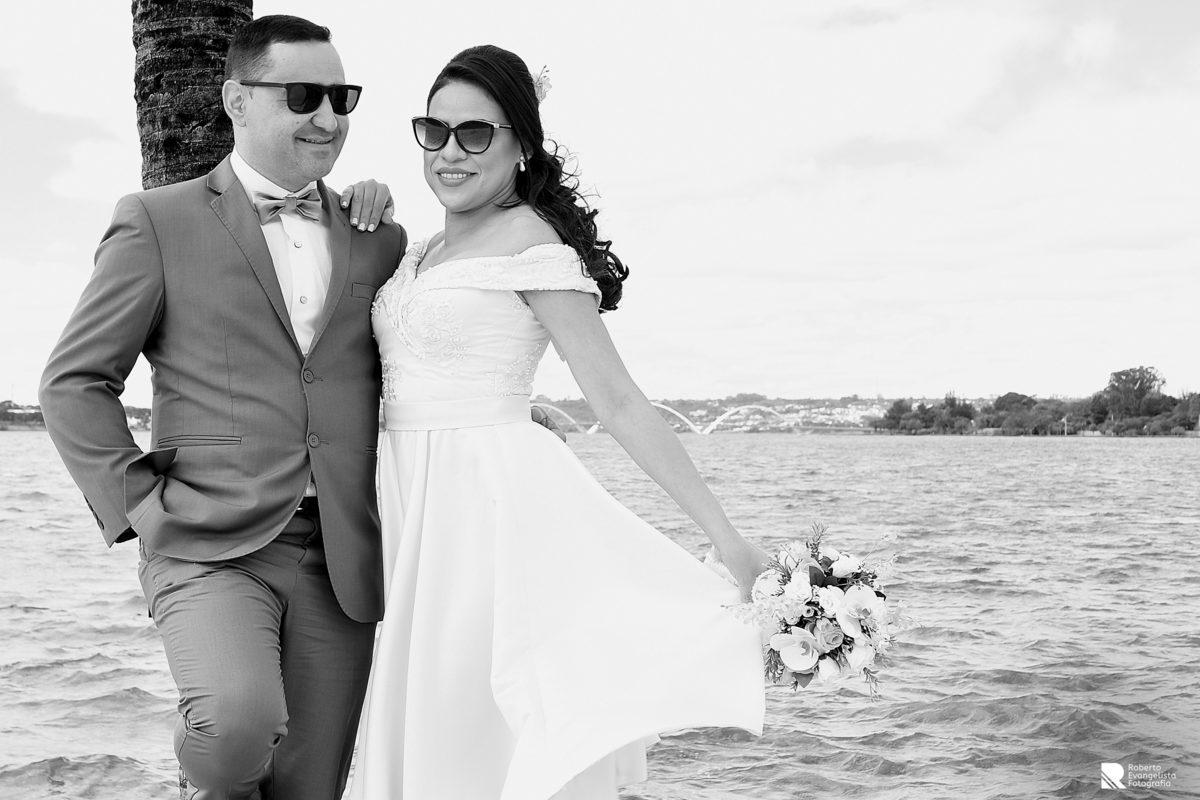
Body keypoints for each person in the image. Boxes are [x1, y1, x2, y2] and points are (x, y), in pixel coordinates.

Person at [348, 45, 772, 800]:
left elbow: (618, 401)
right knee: (424, 705)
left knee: (468, 713)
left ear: (520, 144)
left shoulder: (533, 244)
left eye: (475, 133)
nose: (449, 152)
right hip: (407, 503)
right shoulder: (420, 249)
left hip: (481, 512)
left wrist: (726, 538)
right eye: (434, 131)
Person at [39, 15, 404, 800]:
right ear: (237, 100)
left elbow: (417, 359)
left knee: (310, 787)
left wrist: (514, 413)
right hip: (206, 541)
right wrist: (137, 505)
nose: (328, 117)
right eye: (302, 95)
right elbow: (74, 381)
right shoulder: (157, 221)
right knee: (233, 725)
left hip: (340, 554)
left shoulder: (379, 238)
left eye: (341, 97)